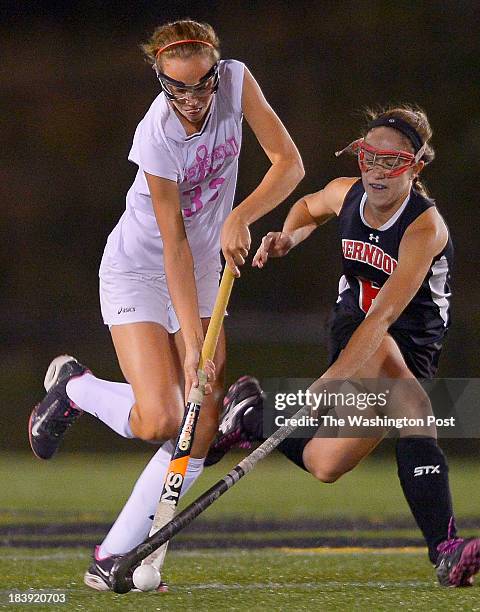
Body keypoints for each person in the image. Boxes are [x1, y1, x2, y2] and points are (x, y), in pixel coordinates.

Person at [28, 19, 304, 591]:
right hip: (141, 269)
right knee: (163, 416)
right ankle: (75, 388)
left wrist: (240, 215)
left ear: (215, 70)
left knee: (198, 424)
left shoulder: (237, 82)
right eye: (179, 88)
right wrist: (187, 353)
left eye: (203, 84)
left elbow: (289, 164)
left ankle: (111, 559)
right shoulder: (155, 135)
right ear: (161, 80)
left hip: (206, 267)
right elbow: (173, 240)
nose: (195, 99)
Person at [208, 105, 480, 587]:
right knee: (414, 409)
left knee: (324, 463)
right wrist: (289, 237)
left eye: (391, 162)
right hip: (355, 327)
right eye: (369, 158)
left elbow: (387, 315)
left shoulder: (424, 228)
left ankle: (252, 415)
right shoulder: (346, 193)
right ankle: (446, 548)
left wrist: (330, 384)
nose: (376, 171)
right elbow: (309, 206)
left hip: (400, 338)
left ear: (415, 167)